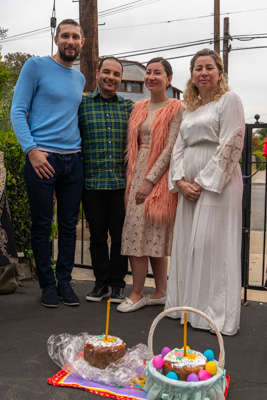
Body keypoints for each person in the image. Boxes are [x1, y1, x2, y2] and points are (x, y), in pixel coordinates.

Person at [165, 48, 245, 335]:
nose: (203, 72)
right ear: (192, 75)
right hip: (189, 187)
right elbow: (179, 147)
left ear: (219, 72)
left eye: (209, 67)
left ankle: (215, 314)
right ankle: (187, 308)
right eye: (198, 68)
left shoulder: (229, 100)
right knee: (189, 246)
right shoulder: (190, 108)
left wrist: (203, 181)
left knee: (212, 247)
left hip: (218, 186)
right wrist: (181, 180)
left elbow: (232, 143)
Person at [10, 19, 85, 307]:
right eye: (65, 35)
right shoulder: (35, 66)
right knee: (42, 225)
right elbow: (18, 111)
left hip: (73, 160)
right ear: (56, 39)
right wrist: (31, 150)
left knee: (68, 226)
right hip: (42, 158)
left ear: (81, 43)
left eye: (75, 36)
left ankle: (65, 283)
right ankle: (47, 285)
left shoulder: (79, 78)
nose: (70, 40)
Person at [117, 57, 185, 313]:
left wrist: (149, 181)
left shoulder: (176, 108)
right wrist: (133, 180)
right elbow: (132, 147)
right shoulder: (139, 107)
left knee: (154, 232)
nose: (151, 77)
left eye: (158, 73)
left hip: (160, 175)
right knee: (136, 232)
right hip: (137, 172)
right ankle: (144, 291)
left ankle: (148, 293)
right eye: (148, 72)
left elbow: (170, 148)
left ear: (168, 79)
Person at [79, 57, 133, 303]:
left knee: (121, 238)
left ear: (120, 79)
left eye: (116, 74)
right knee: (97, 237)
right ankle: (100, 283)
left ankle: (118, 284)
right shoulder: (82, 104)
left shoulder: (129, 108)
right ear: (98, 73)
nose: (111, 77)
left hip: (121, 185)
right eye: (107, 72)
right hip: (91, 184)